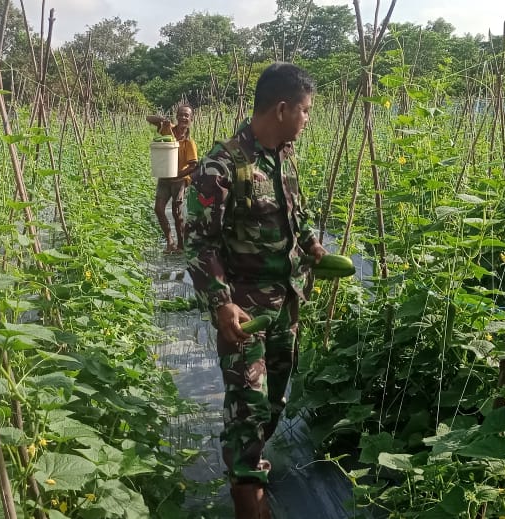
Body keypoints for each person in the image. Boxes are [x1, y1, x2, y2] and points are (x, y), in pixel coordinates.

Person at [184, 62, 326, 518]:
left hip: (286, 304)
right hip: (244, 312)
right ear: (282, 108)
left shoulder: (284, 156)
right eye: (304, 111)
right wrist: (222, 304)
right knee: (246, 405)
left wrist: (311, 245)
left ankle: (251, 464)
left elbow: (295, 212)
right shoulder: (221, 166)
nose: (307, 119)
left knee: (275, 399)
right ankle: (248, 499)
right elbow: (198, 241)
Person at [146, 102, 198, 253]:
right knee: (159, 209)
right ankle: (170, 241)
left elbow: (193, 165)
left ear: (191, 120)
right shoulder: (168, 131)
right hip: (164, 178)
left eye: (186, 115)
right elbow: (149, 118)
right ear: (176, 116)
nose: (183, 118)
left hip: (179, 180)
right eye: (180, 114)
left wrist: (176, 175)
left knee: (177, 213)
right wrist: (162, 120)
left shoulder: (189, 142)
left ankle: (181, 245)